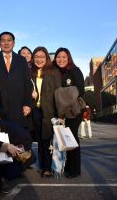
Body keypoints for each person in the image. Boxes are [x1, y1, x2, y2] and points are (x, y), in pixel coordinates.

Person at [0, 32, 33, 130]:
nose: (6, 43)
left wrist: (27, 104)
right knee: (1, 137)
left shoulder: (21, 60)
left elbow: (27, 84)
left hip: (19, 107)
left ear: (14, 43)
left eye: (9, 40)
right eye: (3, 41)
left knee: (19, 138)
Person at [53, 47, 84, 179]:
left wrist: (62, 94)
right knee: (65, 138)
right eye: (58, 57)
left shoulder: (74, 71)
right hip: (61, 112)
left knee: (72, 139)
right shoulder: (56, 72)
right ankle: (68, 166)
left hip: (74, 111)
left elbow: (80, 91)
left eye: (64, 57)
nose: (61, 59)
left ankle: (75, 170)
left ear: (69, 58)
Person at [30, 47, 55, 178]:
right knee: (40, 140)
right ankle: (43, 165)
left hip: (49, 112)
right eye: (36, 57)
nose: (39, 59)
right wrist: (31, 95)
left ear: (46, 58)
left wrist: (59, 115)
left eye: (42, 57)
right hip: (36, 111)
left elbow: (58, 93)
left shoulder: (53, 73)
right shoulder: (30, 73)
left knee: (47, 140)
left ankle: (47, 168)